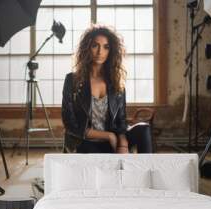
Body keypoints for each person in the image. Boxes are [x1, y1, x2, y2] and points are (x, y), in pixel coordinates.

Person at [62, 25, 152, 153]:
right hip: (85, 141)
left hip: (113, 140)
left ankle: (145, 170)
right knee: (89, 150)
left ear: (111, 51)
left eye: (106, 47)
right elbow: (70, 124)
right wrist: (109, 136)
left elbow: (121, 121)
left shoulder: (116, 82)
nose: (100, 52)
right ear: (87, 48)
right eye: (95, 45)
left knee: (144, 129)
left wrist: (122, 142)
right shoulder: (72, 80)